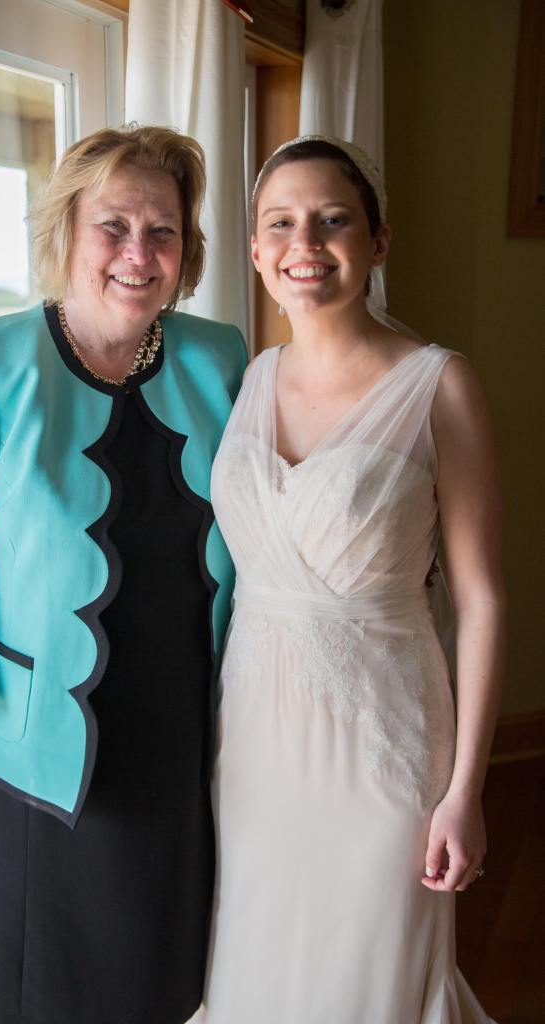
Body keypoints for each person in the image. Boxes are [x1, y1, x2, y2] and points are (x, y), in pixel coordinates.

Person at [0, 124, 247, 1024]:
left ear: (188, 248)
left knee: (160, 983)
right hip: (38, 753)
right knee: (45, 993)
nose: (139, 252)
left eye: (163, 231)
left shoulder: (220, 358)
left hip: (180, 743)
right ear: (66, 231)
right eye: (113, 226)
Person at [203, 137, 505, 1022]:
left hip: (384, 739)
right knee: (261, 960)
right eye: (280, 224)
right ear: (255, 250)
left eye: (331, 220)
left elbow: (482, 600)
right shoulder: (252, 377)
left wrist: (465, 792)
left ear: (376, 242)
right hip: (252, 735)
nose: (304, 243)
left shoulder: (439, 385)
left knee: (371, 974)